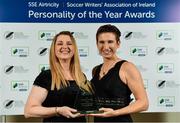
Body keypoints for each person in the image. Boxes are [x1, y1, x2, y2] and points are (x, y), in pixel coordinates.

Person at [24, 31, 92, 122]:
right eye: (60, 44)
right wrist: (58, 110)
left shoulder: (81, 76)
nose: (65, 47)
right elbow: (29, 111)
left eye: (69, 44)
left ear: (74, 49)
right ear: (54, 49)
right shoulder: (46, 76)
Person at [90, 24, 149, 122]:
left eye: (110, 42)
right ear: (97, 44)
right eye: (101, 42)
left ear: (118, 44)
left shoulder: (127, 67)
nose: (106, 47)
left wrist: (115, 113)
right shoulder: (96, 70)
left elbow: (143, 103)